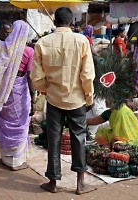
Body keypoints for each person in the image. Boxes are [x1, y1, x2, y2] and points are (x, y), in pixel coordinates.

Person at [30, 7, 96, 194]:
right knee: (79, 139)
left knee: (53, 139)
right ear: (71, 21)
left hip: (54, 99)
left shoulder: (43, 43)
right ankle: (80, 183)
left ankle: (52, 182)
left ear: (54, 21)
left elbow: (36, 76)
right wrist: (89, 96)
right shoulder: (81, 40)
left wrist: (45, 89)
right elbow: (87, 74)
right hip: (77, 100)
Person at [0, 20, 35, 171]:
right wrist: (33, 100)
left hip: (3, 92)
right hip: (19, 91)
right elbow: (30, 76)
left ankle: (6, 159)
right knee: (19, 123)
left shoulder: (1, 48)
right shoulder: (28, 51)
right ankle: (16, 161)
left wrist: (4, 72)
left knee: (5, 124)